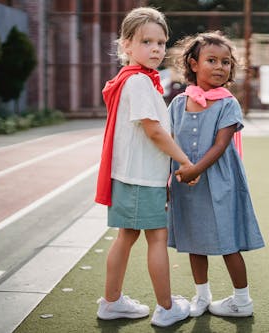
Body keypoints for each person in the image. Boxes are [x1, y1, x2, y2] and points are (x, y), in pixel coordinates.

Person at [94, 7, 192, 327]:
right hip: (140, 178)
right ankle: (166, 307)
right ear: (126, 44)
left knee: (127, 236)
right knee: (156, 239)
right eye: (146, 41)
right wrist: (185, 161)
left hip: (132, 176)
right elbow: (154, 131)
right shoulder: (137, 82)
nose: (155, 49)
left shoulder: (137, 80)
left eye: (161, 43)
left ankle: (112, 302)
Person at [167, 31, 265, 318]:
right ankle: (202, 296)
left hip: (221, 183)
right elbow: (171, 143)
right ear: (193, 64)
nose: (221, 67)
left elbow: (221, 145)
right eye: (212, 60)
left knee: (228, 241)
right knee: (194, 241)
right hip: (186, 184)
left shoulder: (228, 103)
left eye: (226, 62)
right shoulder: (177, 104)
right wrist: (169, 180)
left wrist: (196, 169)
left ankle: (242, 300)